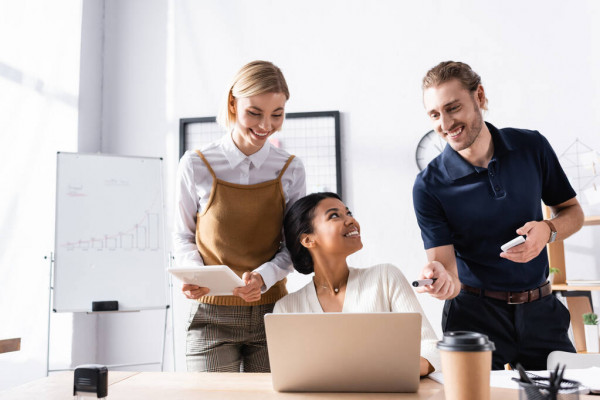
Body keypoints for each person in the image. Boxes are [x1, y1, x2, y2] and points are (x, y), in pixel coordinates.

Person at [412, 61, 584, 370]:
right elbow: (447, 270)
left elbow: (573, 213)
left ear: (479, 96)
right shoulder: (429, 185)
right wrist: (442, 280)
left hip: (542, 312)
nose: (445, 124)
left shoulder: (531, 146)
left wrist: (548, 230)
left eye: (453, 108)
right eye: (435, 115)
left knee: (569, 391)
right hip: (473, 318)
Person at [173, 60, 306, 372]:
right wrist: (196, 276)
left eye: (277, 114)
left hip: (272, 312)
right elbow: (182, 236)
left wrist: (263, 278)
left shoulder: (290, 169)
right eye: (255, 113)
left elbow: (295, 246)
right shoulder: (196, 164)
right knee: (214, 395)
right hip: (211, 316)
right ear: (233, 104)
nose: (266, 125)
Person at [274, 192, 440, 376]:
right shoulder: (287, 309)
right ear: (308, 240)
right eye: (334, 215)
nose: (351, 220)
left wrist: (391, 370)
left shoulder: (385, 278)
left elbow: (431, 349)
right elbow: (287, 373)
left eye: (349, 213)